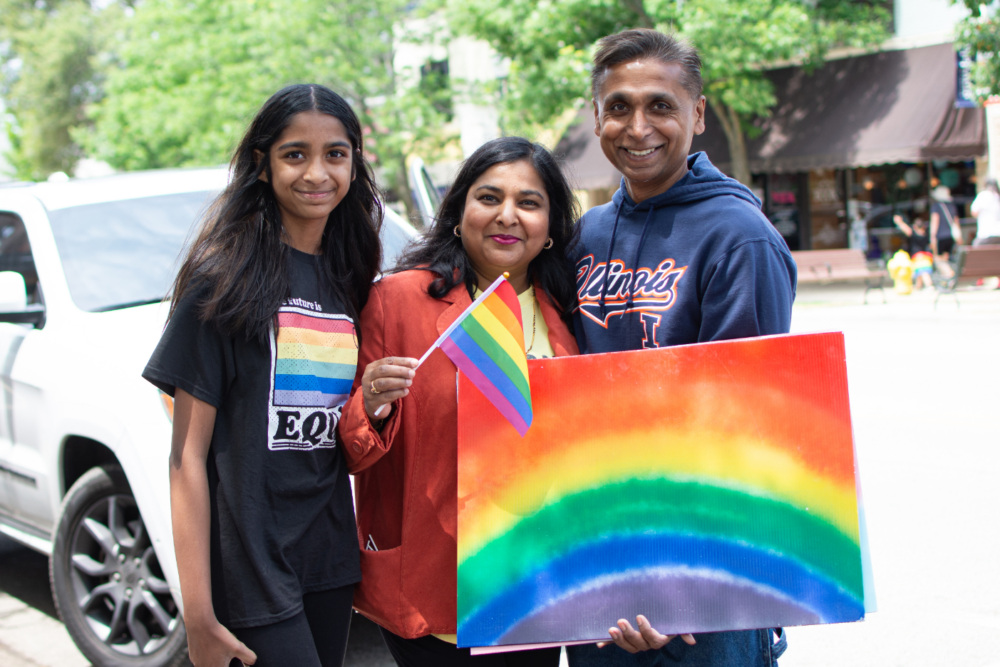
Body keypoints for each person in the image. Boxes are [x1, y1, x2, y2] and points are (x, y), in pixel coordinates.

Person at [566, 29, 795, 667]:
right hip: (598, 567)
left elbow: (739, 427)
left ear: (696, 113)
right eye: (619, 107)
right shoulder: (585, 235)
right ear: (597, 118)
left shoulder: (740, 238)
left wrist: (676, 591)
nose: (638, 127)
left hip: (702, 595)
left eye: (660, 106)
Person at [143, 84, 382, 667]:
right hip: (250, 563)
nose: (316, 172)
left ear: (354, 160)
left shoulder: (349, 274)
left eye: (335, 154)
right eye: (295, 154)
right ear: (263, 163)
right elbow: (185, 460)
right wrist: (196, 615)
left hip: (327, 554)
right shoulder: (223, 281)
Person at [337, 136, 580, 667]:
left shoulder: (572, 316)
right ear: (459, 212)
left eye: (529, 203)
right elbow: (352, 454)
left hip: (535, 587)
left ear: (550, 228)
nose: (507, 215)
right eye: (489, 198)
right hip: (431, 593)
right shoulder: (395, 301)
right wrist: (373, 405)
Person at [892, 214, 934, 289]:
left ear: (915, 227)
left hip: (918, 257)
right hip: (927, 257)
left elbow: (906, 229)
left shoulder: (914, 234)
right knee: (920, 273)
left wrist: (899, 222)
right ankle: (918, 286)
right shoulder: (927, 235)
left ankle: (929, 285)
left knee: (923, 272)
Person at [929, 184, 963, 264]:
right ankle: (950, 273)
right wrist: (959, 236)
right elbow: (956, 221)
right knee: (948, 257)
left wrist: (932, 236)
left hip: (940, 236)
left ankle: (948, 274)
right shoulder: (952, 206)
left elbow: (935, 221)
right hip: (951, 236)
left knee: (939, 258)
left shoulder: (936, 206)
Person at [970, 177, 1000, 246]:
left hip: (986, 234)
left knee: (975, 250)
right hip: (998, 233)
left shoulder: (983, 195)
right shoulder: (997, 197)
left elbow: (974, 212)